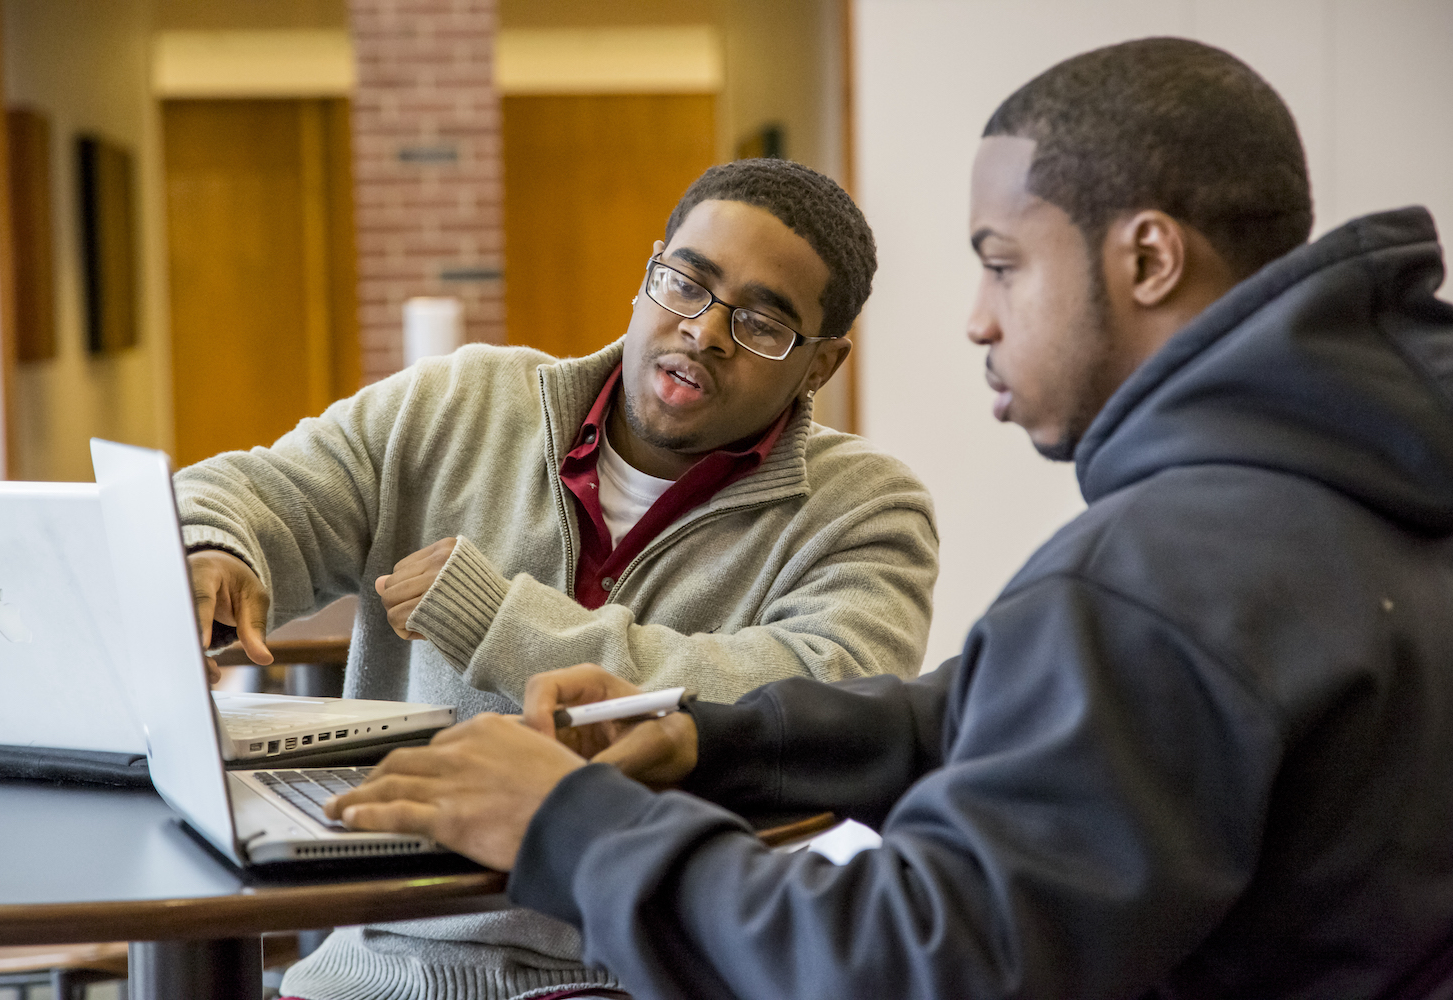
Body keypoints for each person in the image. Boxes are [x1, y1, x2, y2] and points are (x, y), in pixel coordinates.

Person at [325, 37, 1453, 999]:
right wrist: (720, 737)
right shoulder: (1352, 495)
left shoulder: (1161, 575)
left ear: (1148, 258)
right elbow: (1001, 712)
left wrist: (567, 822)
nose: (977, 320)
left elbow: (910, 961)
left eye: (1003, 265)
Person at [176, 157, 938, 999]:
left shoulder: (865, 507)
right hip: (379, 968)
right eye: (686, 283)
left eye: (762, 323)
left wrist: (498, 621)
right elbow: (246, 491)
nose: (705, 332)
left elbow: (822, 698)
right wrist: (214, 547)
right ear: (648, 276)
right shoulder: (458, 404)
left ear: (821, 366)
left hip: (640, 972)